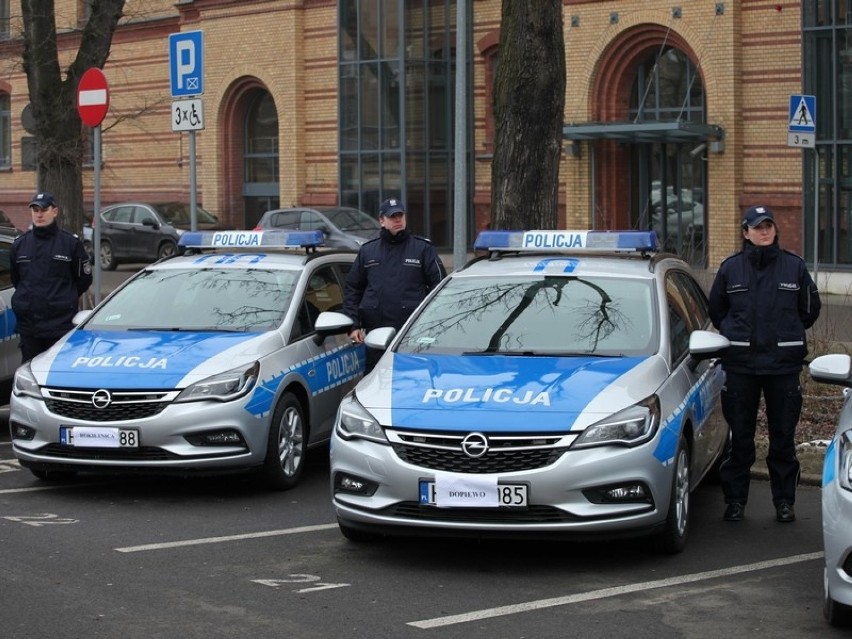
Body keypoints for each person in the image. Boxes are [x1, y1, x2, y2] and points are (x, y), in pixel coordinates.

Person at [708, 204, 821, 524]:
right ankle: (735, 502)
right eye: (758, 227)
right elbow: (718, 311)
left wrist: (785, 334)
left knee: (783, 439)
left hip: (782, 367)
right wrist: (738, 334)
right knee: (740, 439)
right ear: (746, 233)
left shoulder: (794, 267)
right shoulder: (731, 268)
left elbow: (810, 310)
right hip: (741, 366)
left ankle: (784, 502)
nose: (764, 231)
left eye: (768, 226)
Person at [343, 197, 445, 368]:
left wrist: (430, 324)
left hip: (412, 334)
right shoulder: (368, 251)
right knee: (375, 382)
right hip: (376, 334)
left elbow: (440, 289)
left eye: (400, 215)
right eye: (392, 216)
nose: (398, 220)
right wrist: (353, 326)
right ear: (382, 221)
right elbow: (353, 289)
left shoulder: (422, 249)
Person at [10, 192, 93, 362]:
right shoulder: (20, 245)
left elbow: (83, 279)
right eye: (35, 210)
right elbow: (16, 279)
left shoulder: (70, 244)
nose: (39, 214)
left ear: (55, 211)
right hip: (30, 327)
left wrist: (64, 297)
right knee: (31, 376)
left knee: (59, 373)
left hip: (60, 325)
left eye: (43, 209)